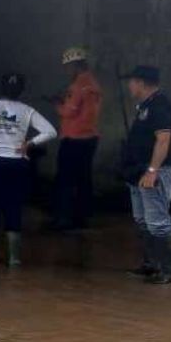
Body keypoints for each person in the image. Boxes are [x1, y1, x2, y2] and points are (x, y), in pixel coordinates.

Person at [0, 73, 57, 267]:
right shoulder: (27, 111)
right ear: (21, 90)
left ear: (1, 88)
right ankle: (14, 258)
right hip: (16, 163)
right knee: (13, 207)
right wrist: (30, 143)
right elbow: (51, 131)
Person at [120, 65, 171, 286]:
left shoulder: (159, 105)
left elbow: (163, 140)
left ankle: (169, 270)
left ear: (142, 83)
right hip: (139, 171)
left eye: (132, 81)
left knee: (157, 222)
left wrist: (153, 170)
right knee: (143, 221)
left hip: (153, 172)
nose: (129, 85)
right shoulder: (146, 106)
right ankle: (151, 265)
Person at [48, 47, 103, 230]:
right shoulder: (93, 84)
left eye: (68, 67)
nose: (67, 71)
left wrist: (57, 104)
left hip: (74, 138)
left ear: (75, 65)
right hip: (90, 138)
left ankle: (62, 219)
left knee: (65, 179)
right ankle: (82, 218)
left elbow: (69, 112)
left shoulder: (77, 86)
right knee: (83, 179)